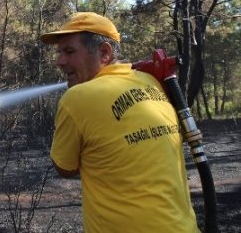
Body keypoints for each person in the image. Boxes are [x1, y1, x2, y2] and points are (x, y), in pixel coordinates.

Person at [40, 12, 199, 232]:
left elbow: (65, 167)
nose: (59, 61)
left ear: (104, 52)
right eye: (59, 52)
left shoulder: (76, 98)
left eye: (69, 51)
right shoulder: (150, 81)